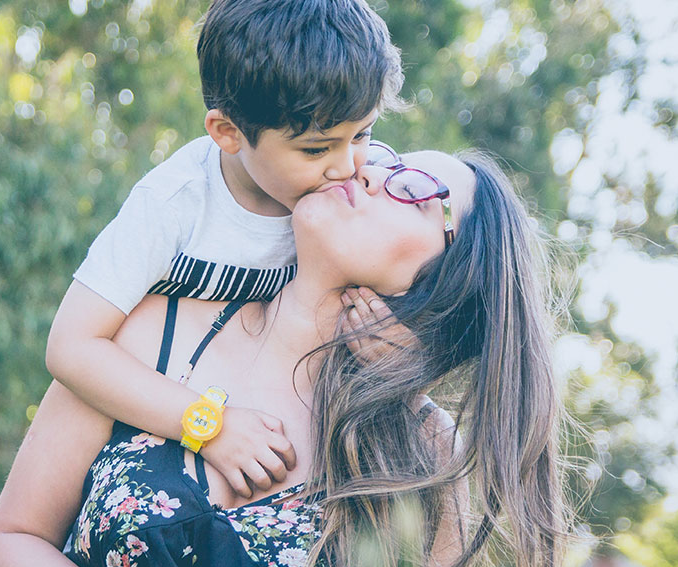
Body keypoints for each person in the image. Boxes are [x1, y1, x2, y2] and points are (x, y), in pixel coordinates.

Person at [0, 146, 569, 567]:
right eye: (385, 157)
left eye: (411, 186)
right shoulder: (146, 328)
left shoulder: (426, 453)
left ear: (451, 277)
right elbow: (5, 550)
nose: (364, 169)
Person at [43, 0, 407, 503]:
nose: (348, 167)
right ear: (228, 133)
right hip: (159, 449)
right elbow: (70, 346)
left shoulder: (366, 182)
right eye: (317, 149)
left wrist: (405, 352)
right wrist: (207, 427)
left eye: (362, 133)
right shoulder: (173, 206)